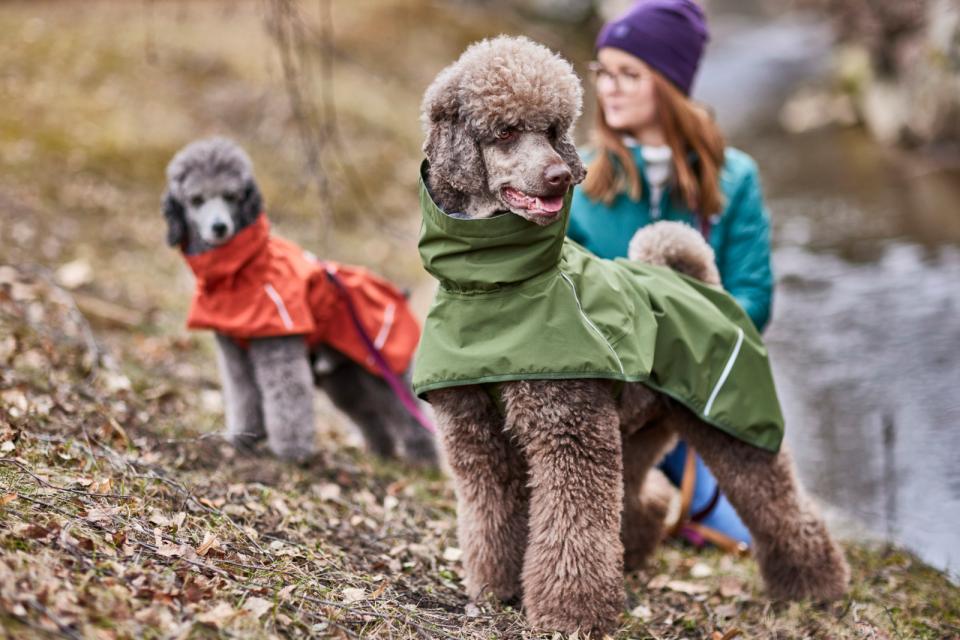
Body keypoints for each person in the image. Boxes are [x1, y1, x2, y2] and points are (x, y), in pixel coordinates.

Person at [568, 0, 774, 552]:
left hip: (699, 393)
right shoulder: (576, 180)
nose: (609, 88)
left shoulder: (736, 177)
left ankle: (685, 496)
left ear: (668, 84)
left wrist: (684, 341)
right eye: (603, 72)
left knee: (742, 536)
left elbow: (754, 296)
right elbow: (562, 293)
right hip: (609, 398)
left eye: (629, 74)